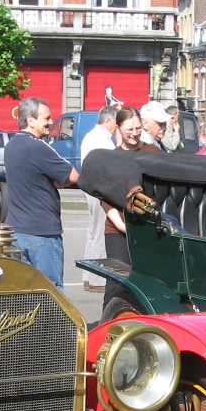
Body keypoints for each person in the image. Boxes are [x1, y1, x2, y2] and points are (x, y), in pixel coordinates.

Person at [3, 97, 78, 289]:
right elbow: (72, 175)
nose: (51, 122)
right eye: (46, 118)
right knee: (50, 291)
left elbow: (34, 176)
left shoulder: (11, 145)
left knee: (23, 291)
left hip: (16, 230)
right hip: (41, 231)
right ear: (31, 120)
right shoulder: (38, 146)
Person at [102, 107, 161, 302]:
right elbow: (104, 197)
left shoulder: (153, 152)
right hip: (118, 231)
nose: (134, 133)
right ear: (118, 128)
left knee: (148, 283)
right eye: (129, 129)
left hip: (148, 229)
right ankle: (111, 318)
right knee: (117, 285)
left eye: (138, 128)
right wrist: (121, 225)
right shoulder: (112, 157)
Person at [79, 106, 117, 292]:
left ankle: (90, 277)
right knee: (99, 232)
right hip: (98, 190)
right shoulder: (99, 139)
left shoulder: (95, 137)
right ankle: (96, 278)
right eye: (116, 123)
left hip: (94, 189)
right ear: (108, 121)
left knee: (94, 231)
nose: (117, 127)